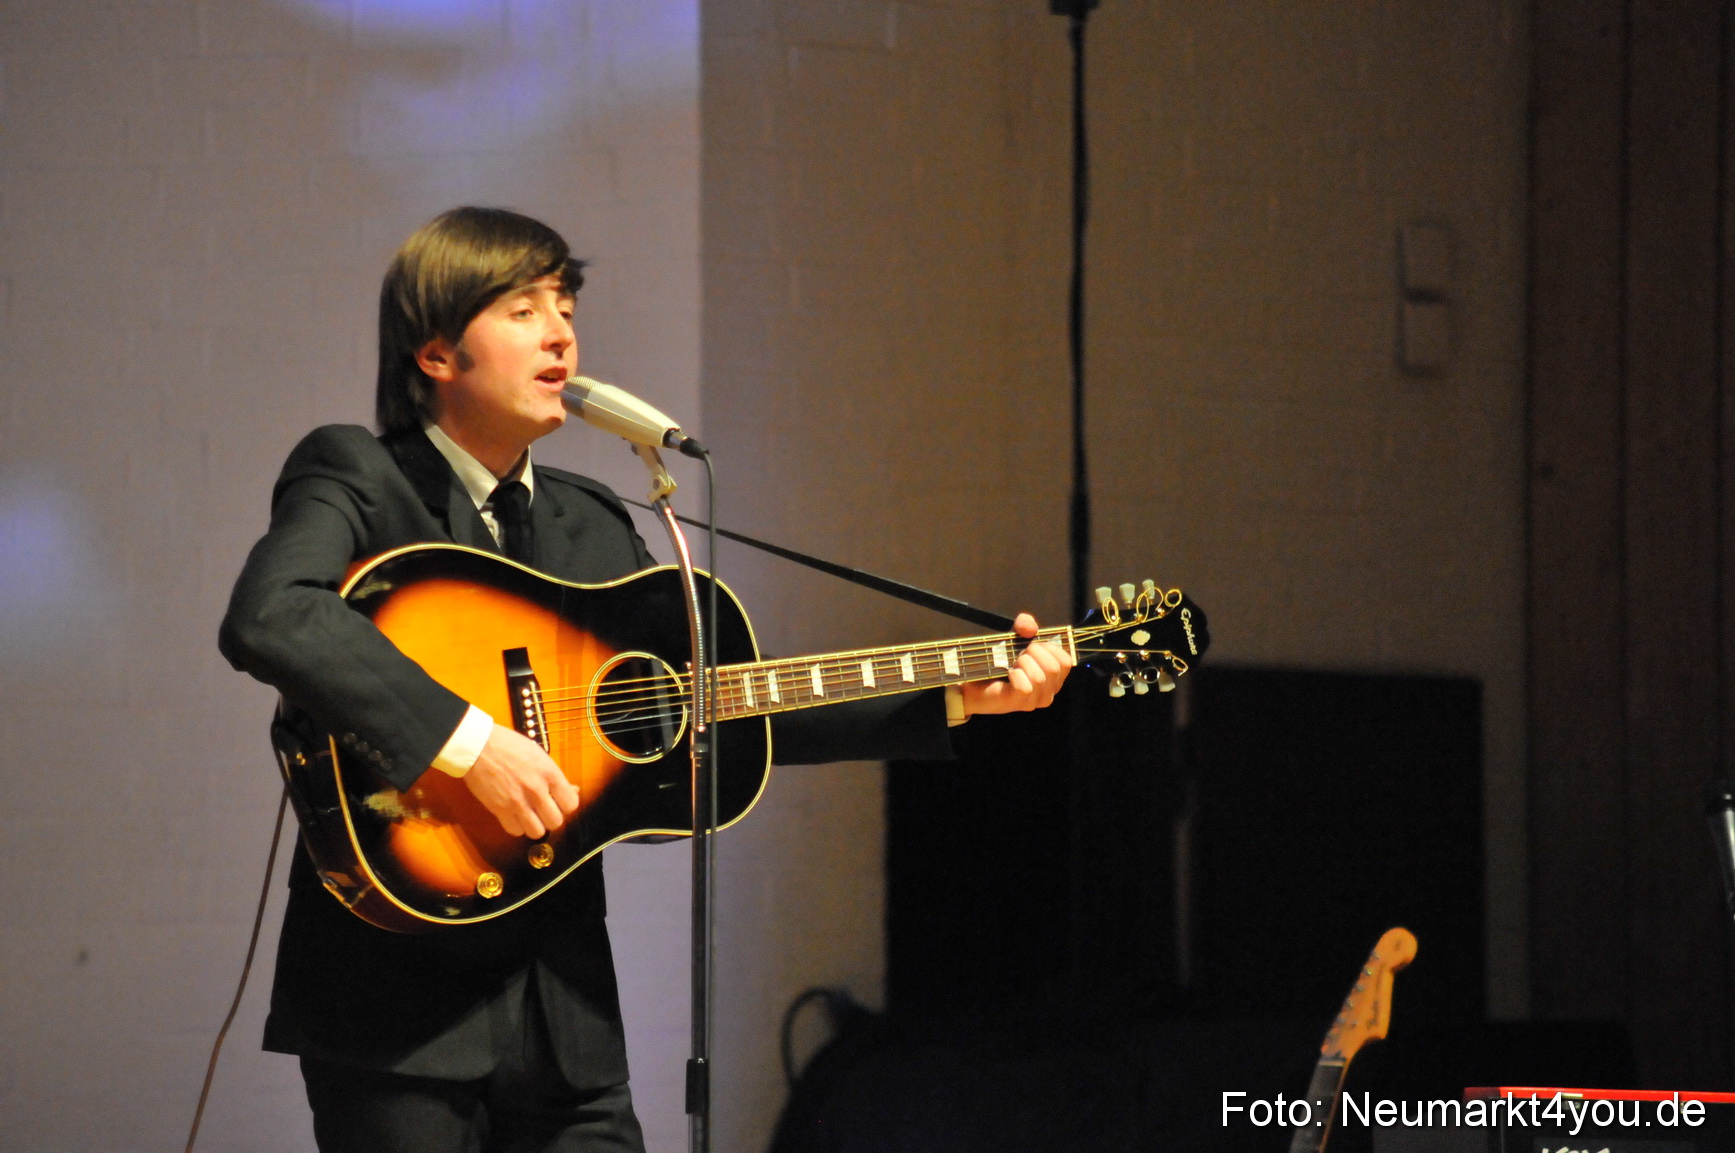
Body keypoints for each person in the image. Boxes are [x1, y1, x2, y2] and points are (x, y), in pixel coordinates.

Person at [219, 206, 1073, 1153]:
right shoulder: (357, 471)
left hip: (565, 1021)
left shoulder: (591, 523)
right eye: (521, 308)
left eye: (566, 304)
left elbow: (725, 709)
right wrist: (471, 743)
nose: (560, 331)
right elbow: (273, 613)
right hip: (392, 1010)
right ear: (435, 352)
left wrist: (957, 694)